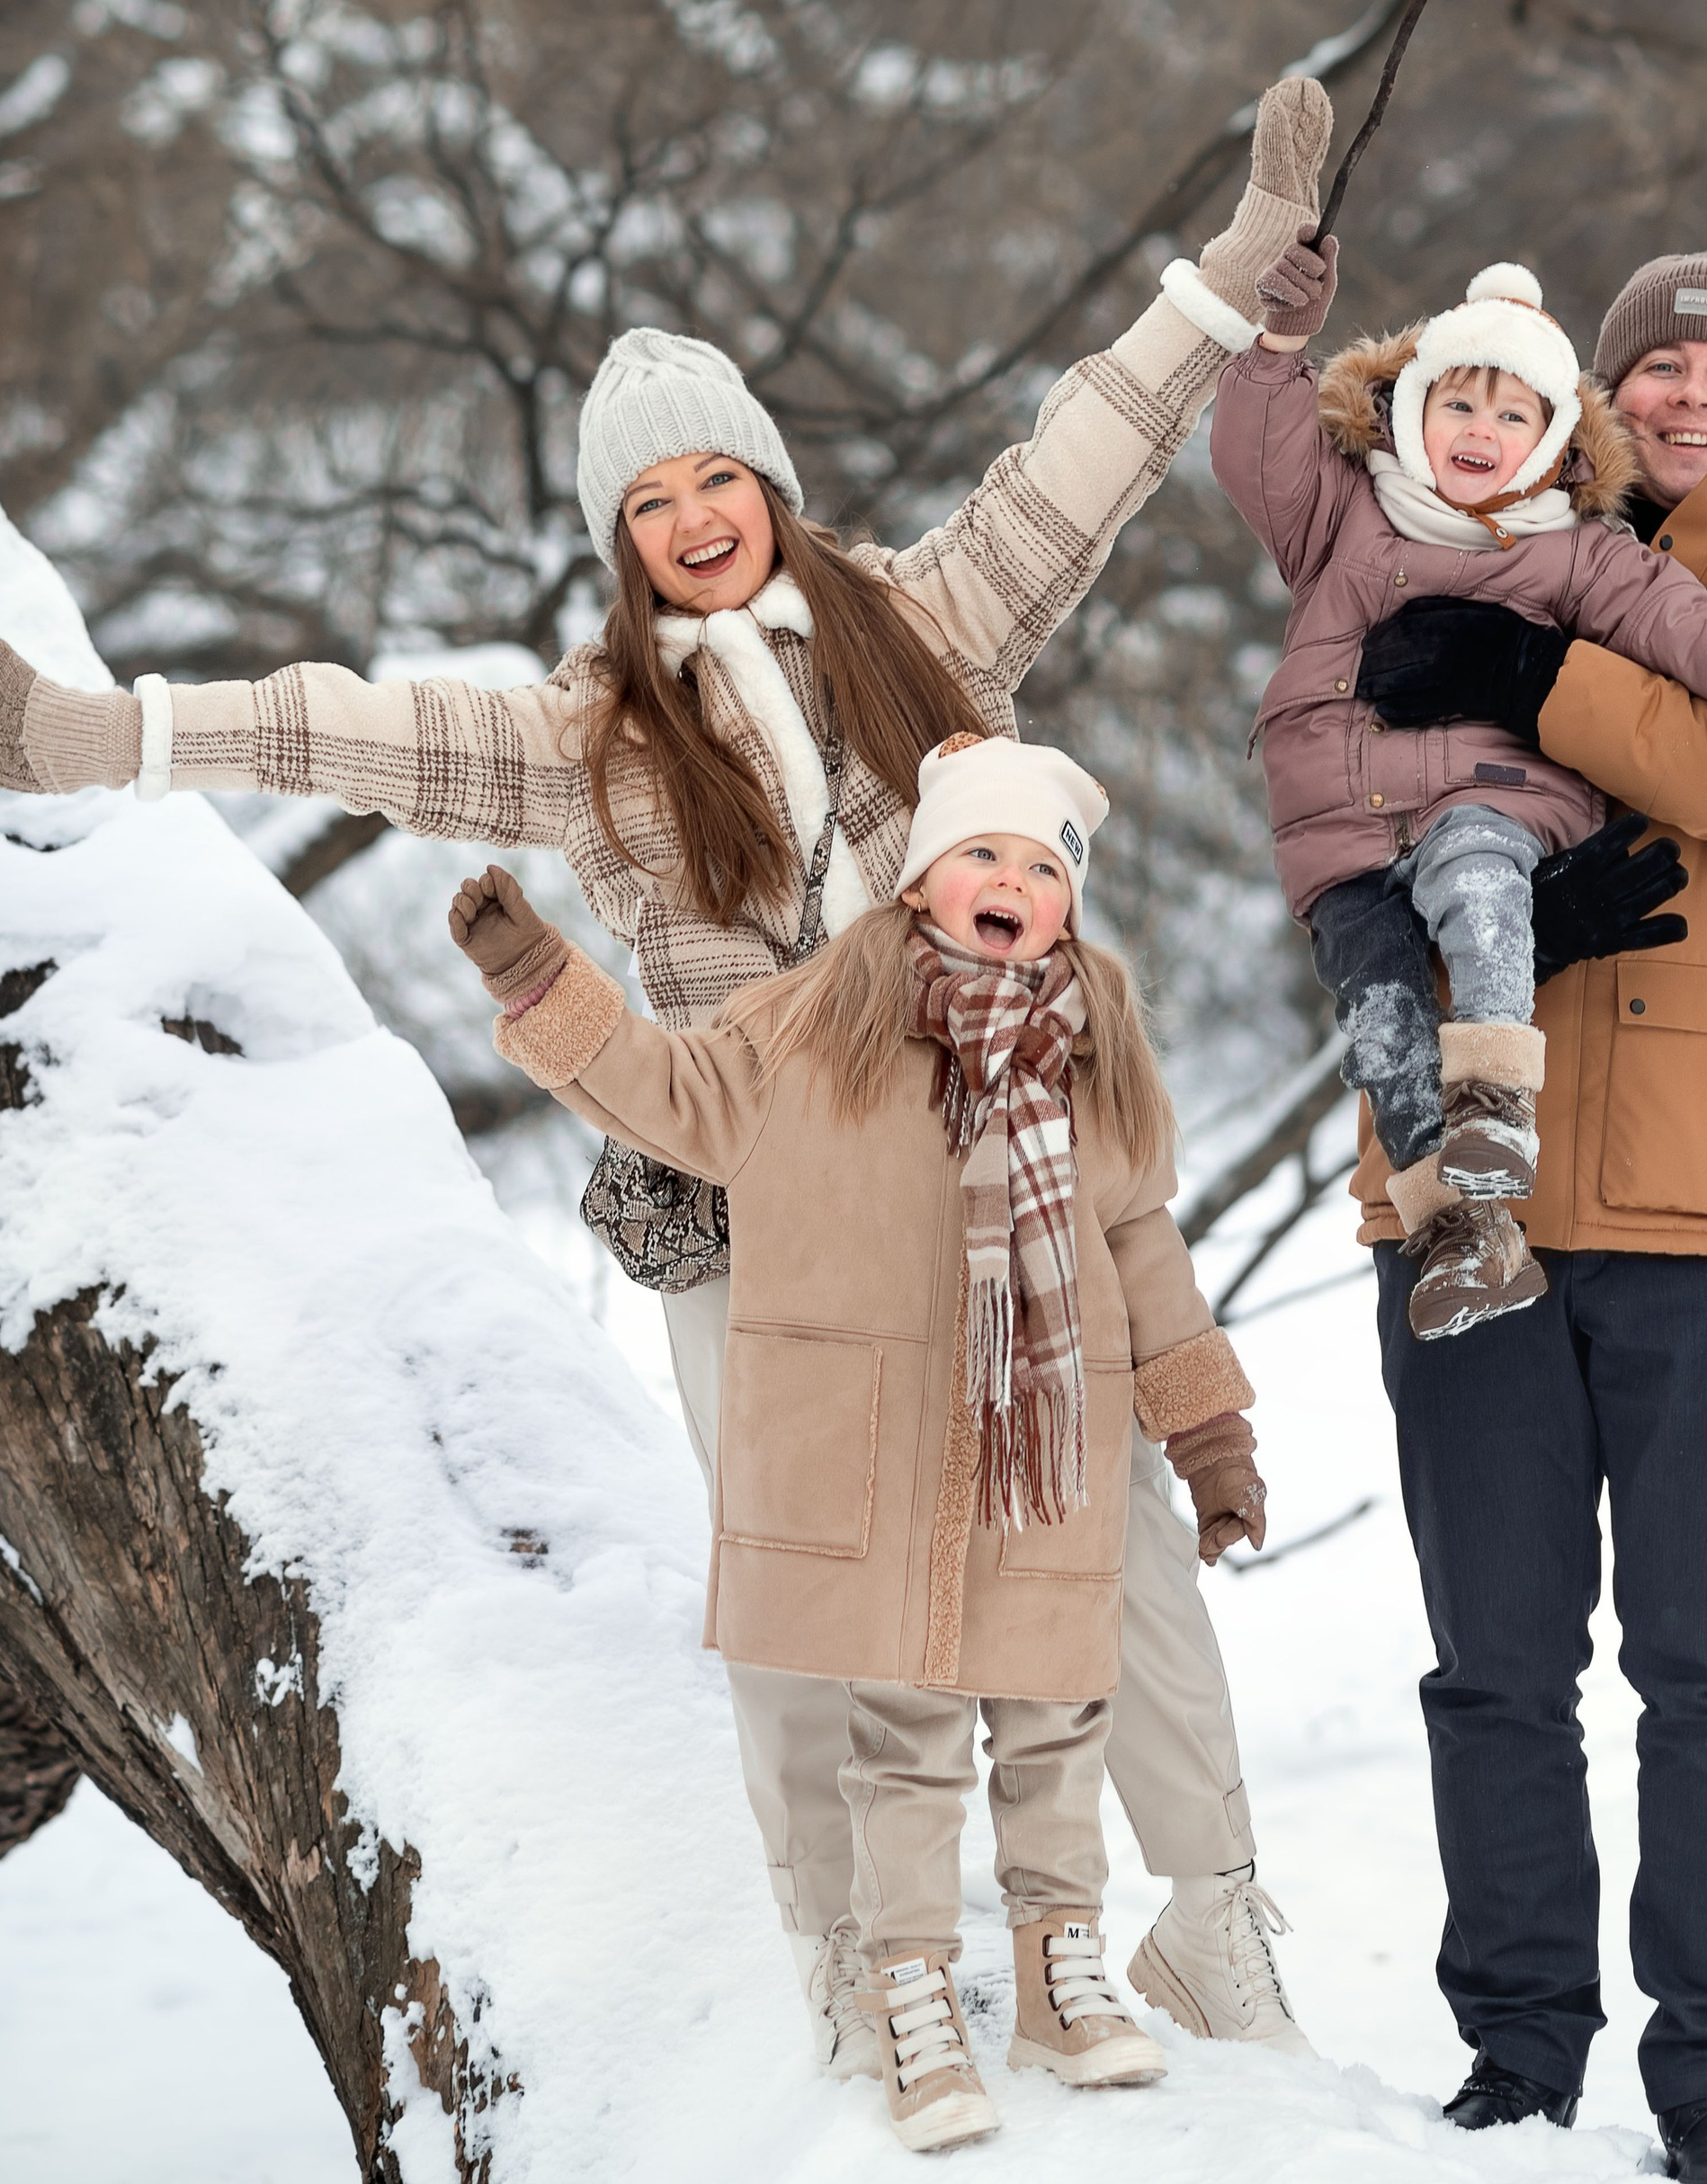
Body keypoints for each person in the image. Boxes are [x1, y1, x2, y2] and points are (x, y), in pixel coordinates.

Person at [0, 76, 1337, 2071]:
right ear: (616, 537)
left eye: (713, 479)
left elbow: (1080, 453)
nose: (688, 519)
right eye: (646, 501)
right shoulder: (580, 745)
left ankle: (1210, 1917)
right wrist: (105, 734)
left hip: (995, 1171)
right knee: (802, 1599)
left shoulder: (928, 631)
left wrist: (1232, 268)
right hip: (747, 1214)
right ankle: (857, 1960)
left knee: (1107, 1535)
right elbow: (340, 728)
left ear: (766, 479)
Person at [446, 732, 1264, 2154]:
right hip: (891, 1456)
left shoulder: (1098, 1057)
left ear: (1066, 899)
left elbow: (1146, 1247)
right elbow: (674, 1092)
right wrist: (540, 981)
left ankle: (1061, 1979)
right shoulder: (812, 1025)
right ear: (925, 879)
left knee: (1060, 1717)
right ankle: (913, 1994)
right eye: (980, 853)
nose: (1009, 878)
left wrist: (1212, 1434)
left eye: (1038, 864)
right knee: (906, 1735)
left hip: (1048, 1450)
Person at [1346, 250, 1707, 2184]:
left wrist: (1527, 680)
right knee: (1491, 1666)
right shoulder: (1469, 530)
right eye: (1650, 369)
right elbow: (1354, 827)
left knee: (1704, 1660)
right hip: (1462, 1186)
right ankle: (1513, 2059)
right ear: (1597, 400)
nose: (1681, 397)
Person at [1208, 253, 1707, 1342]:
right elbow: (1259, 458)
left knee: (1481, 880)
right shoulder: (1343, 512)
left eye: (1511, 410)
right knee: (1383, 1019)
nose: (1477, 429)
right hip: (1340, 832)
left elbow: (1667, 614)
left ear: (1550, 439)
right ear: (1410, 404)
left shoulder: (1572, 545)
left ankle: (1493, 1104)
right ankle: (1461, 1235)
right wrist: (1277, 350)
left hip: (1488, 797)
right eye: (1456, 400)